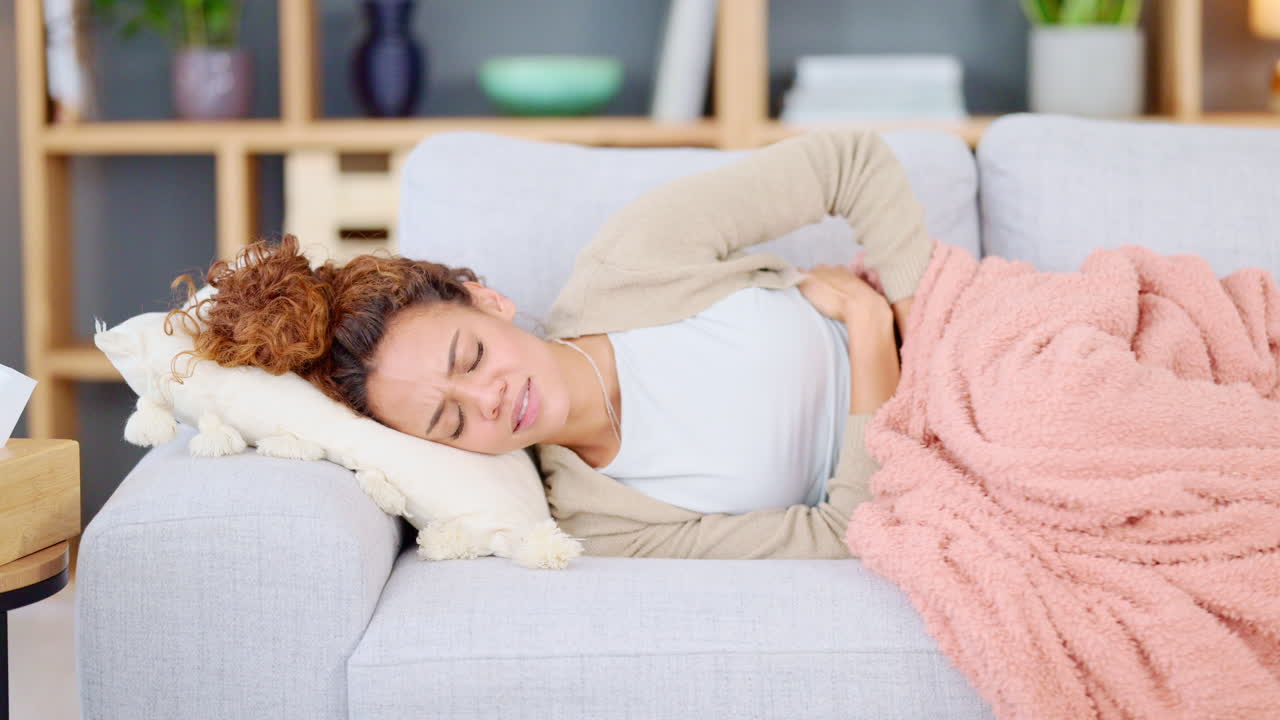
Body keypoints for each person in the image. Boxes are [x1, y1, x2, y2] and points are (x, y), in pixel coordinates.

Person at [170, 129, 934, 560]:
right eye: (451, 422)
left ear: (489, 302)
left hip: (954, 342)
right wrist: (870, 335)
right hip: (926, 477)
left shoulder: (635, 258)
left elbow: (852, 165)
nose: (488, 400)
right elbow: (841, 535)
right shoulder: (601, 521)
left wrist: (911, 319)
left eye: (470, 357)